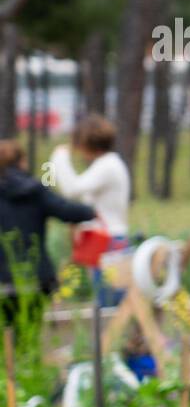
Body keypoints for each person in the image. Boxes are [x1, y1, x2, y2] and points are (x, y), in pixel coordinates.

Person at [0, 139, 96, 342]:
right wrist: (92, 210)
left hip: (2, 280)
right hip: (36, 278)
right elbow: (68, 211)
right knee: (28, 337)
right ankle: (27, 367)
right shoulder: (35, 190)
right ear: (23, 162)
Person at [50, 114, 131, 306]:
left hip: (109, 243)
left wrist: (59, 157)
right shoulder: (109, 164)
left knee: (109, 305)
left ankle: (112, 336)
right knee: (111, 302)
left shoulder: (107, 166)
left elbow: (72, 189)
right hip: (108, 241)